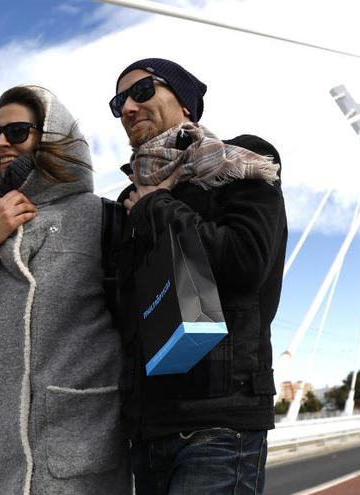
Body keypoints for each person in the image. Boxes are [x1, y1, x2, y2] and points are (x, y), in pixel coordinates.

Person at [0, 85, 130, 494]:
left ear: (51, 137)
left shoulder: (103, 217)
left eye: (16, 132)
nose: (0, 143)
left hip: (82, 457)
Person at [108, 58, 288, 494]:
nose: (128, 107)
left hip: (220, 421)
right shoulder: (127, 198)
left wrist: (158, 207)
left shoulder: (240, 162)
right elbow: (121, 313)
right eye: (118, 102)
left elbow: (247, 263)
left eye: (143, 90)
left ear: (186, 104)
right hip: (148, 430)